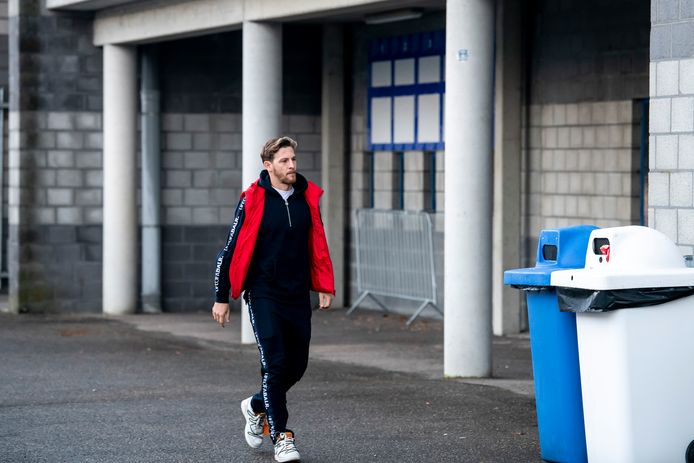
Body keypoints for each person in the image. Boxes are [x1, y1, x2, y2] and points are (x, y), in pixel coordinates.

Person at [211, 136, 335, 462]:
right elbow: (231, 248)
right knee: (275, 364)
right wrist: (221, 296)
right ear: (268, 166)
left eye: (293, 159)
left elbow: (316, 244)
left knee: (297, 367)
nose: (292, 165)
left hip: (296, 295)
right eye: (284, 161)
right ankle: (282, 436)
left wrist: (323, 283)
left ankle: (254, 406)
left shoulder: (306, 197)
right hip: (263, 293)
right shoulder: (252, 199)